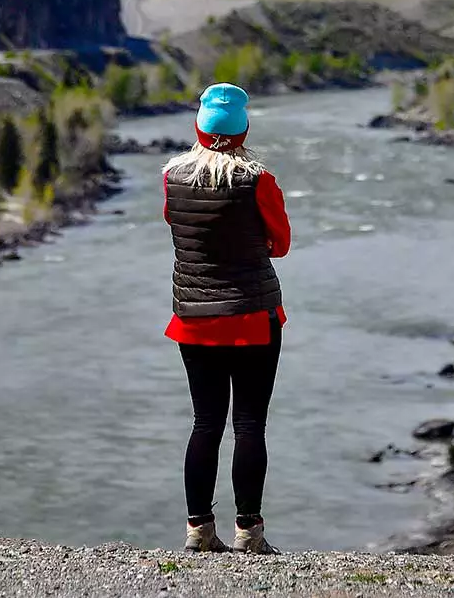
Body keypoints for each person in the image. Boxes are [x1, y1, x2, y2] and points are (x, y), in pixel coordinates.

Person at [162, 83, 291, 555]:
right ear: (243, 131)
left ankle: (198, 530)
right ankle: (249, 534)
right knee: (249, 426)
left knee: (205, 423)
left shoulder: (173, 177)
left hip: (194, 319)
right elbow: (281, 243)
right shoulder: (260, 181)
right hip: (253, 316)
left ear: (199, 126)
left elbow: (176, 227)